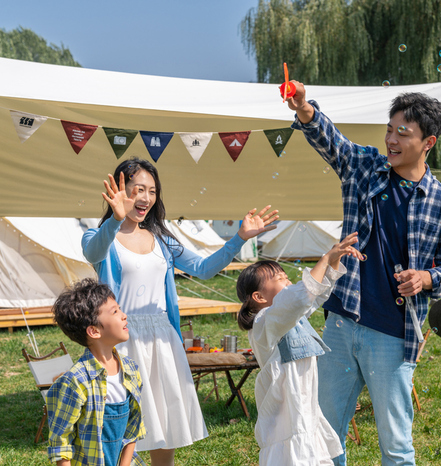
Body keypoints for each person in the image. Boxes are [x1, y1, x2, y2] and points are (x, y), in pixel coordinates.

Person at [286, 82, 441, 465]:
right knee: (324, 437)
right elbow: (330, 140)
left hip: (394, 335)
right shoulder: (366, 168)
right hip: (342, 322)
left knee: (397, 448)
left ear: (428, 142)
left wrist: (426, 279)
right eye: (389, 129)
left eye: (403, 133)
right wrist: (305, 109)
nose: (391, 139)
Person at [82, 157, 278, 466]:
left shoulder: (162, 239)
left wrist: (240, 237)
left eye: (152, 190)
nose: (145, 198)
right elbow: (93, 253)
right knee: (122, 426)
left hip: (163, 340)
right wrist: (114, 221)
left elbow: (203, 268)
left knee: (166, 425)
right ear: (119, 191)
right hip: (123, 341)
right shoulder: (101, 238)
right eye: (137, 189)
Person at [236, 232, 362, 466]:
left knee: (308, 451)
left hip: (304, 403)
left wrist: (334, 260)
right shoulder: (265, 321)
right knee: (294, 454)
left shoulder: (288, 315)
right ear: (259, 297)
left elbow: (315, 295)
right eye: (280, 279)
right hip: (288, 409)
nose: (288, 281)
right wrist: (324, 259)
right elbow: (299, 297)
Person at [47, 278, 145, 466]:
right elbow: (61, 443)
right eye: (115, 311)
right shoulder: (75, 382)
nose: (124, 315)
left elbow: (134, 427)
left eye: (120, 309)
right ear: (94, 331)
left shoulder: (131, 370)